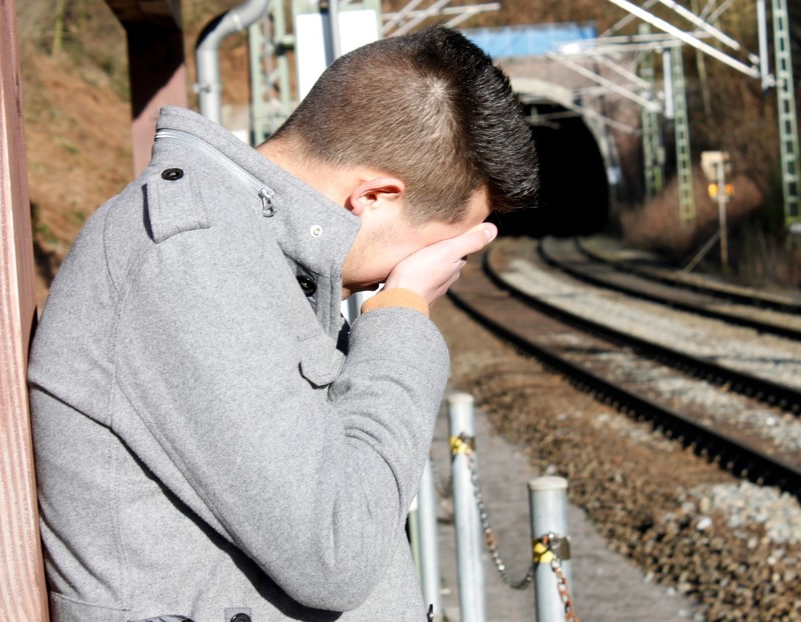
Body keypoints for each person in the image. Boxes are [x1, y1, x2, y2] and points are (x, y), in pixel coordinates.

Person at [27, 26, 538, 622]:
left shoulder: (246, 248)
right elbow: (335, 553)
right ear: (373, 195)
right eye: (438, 249)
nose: (423, 269)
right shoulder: (192, 257)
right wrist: (401, 313)